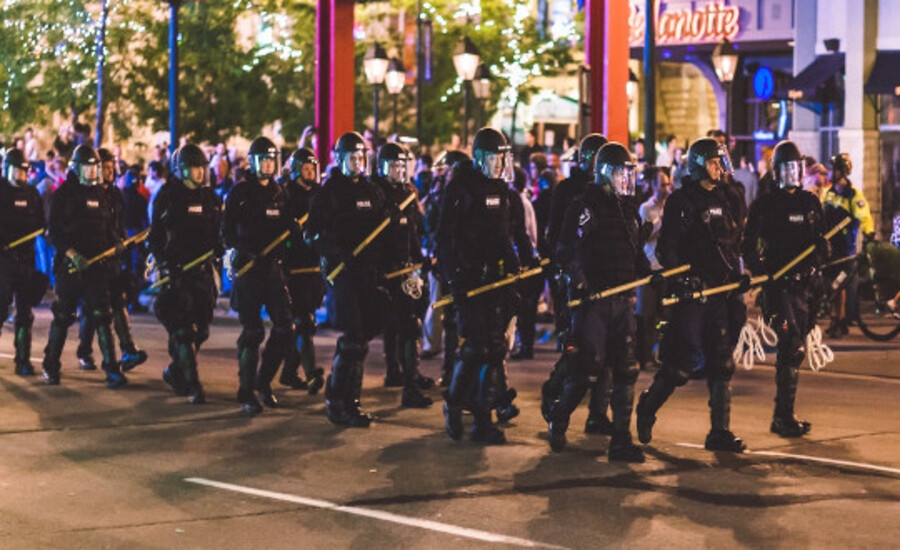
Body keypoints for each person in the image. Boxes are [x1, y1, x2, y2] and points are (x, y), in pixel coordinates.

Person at [636, 137, 748, 453]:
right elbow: (666, 248)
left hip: (720, 293)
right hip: (693, 294)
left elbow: (732, 245)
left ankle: (719, 431)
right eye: (713, 162)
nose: (719, 168)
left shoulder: (727, 199)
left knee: (722, 362)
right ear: (699, 164)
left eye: (720, 161)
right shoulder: (681, 202)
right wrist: (685, 279)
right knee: (681, 366)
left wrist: (739, 277)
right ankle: (648, 405)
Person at [547, 142, 648, 461]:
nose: (625, 179)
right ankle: (560, 416)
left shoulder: (628, 208)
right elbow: (565, 251)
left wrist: (650, 273)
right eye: (621, 173)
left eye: (628, 174)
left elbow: (634, 252)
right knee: (587, 370)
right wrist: (580, 282)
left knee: (626, 369)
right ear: (605, 172)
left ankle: (621, 439)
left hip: (622, 301)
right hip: (593, 304)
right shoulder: (585, 207)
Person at [436, 127, 535, 444]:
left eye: (502, 157)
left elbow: (508, 236)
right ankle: (454, 403)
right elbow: (444, 240)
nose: (499, 163)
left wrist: (522, 263)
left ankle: (483, 419)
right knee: (477, 348)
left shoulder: (505, 193)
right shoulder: (460, 190)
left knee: (495, 350)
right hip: (470, 280)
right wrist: (455, 279)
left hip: (499, 281)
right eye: (494, 157)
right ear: (479, 157)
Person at [743, 140, 827, 437]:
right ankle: (782, 416)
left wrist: (821, 251)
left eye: (797, 168)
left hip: (808, 286)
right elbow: (748, 245)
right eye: (787, 168)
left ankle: (784, 413)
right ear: (777, 171)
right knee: (789, 347)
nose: (793, 174)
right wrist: (762, 271)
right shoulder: (765, 204)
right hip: (780, 287)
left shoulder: (810, 202)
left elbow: (820, 239)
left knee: (796, 351)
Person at [307, 132, 388, 427]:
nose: (356, 163)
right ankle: (337, 400)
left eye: (360, 158)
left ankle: (351, 400)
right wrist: (336, 251)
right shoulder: (329, 192)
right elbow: (312, 235)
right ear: (341, 160)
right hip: (342, 273)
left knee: (362, 339)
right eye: (351, 158)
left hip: (368, 272)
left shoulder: (373, 190)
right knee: (353, 338)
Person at [543, 133, 615, 435]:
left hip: (604, 278)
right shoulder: (569, 191)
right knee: (578, 348)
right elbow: (557, 235)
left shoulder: (610, 192)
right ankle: (554, 390)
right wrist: (561, 275)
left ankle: (598, 414)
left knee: (609, 351)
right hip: (576, 278)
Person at [42, 145, 127, 388]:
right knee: (63, 315)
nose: (92, 172)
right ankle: (50, 365)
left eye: (95, 167)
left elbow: (109, 229)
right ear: (77, 168)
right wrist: (71, 254)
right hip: (71, 266)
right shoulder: (64, 195)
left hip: (97, 267)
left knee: (102, 315)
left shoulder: (102, 195)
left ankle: (111, 369)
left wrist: (118, 244)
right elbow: (55, 233)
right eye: (88, 167)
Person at [222, 136, 295, 414]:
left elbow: (288, 231)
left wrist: (291, 241)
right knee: (252, 332)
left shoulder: (280, 193)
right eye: (262, 159)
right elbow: (227, 231)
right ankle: (246, 389)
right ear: (253, 162)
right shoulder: (240, 193)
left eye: (270, 159)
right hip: (248, 270)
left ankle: (264, 383)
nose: (267, 164)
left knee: (284, 328)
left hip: (273, 270)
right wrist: (245, 251)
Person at [150, 144, 224, 403]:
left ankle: (175, 370)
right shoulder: (168, 196)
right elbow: (155, 238)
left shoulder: (211, 199)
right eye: (195, 168)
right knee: (183, 330)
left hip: (203, 275)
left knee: (201, 331)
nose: (201, 173)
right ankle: (194, 385)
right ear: (181, 170)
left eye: (203, 168)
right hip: (178, 274)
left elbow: (219, 234)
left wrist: (221, 251)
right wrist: (165, 265)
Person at [372, 143, 433, 408]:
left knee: (410, 321)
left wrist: (420, 258)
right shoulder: (376, 193)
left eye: (402, 165)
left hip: (408, 267)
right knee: (404, 324)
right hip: (387, 269)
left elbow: (414, 232)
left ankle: (406, 372)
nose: (399, 170)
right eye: (394, 165)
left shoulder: (408, 192)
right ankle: (405, 379)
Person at [76, 148, 147, 373]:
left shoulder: (116, 195)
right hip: (94, 260)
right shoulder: (89, 193)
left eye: (110, 167)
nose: (108, 172)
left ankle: (128, 349)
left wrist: (125, 243)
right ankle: (85, 351)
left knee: (119, 301)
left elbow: (119, 225)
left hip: (113, 260)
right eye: (104, 167)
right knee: (92, 309)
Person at [278, 147, 326, 394]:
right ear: (297, 171)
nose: (310, 173)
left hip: (315, 266)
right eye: (306, 169)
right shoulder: (285, 195)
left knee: (305, 323)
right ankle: (311, 373)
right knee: (303, 321)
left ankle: (288, 371)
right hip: (293, 267)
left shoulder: (321, 195)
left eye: (312, 169)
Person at [422, 150, 469, 385]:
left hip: (459, 261)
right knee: (449, 319)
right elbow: (432, 227)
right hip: (443, 260)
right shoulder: (439, 192)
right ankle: (449, 370)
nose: (446, 174)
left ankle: (455, 371)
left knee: (459, 321)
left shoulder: (462, 192)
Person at [0, 148, 47, 376]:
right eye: (17, 171)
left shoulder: (32, 194)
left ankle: (23, 359)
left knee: (25, 312)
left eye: (24, 172)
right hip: (4, 259)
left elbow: (41, 222)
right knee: (1, 308)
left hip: (26, 259)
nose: (21, 175)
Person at [823, 153, 875, 337]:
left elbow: (864, 215)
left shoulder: (853, 194)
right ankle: (834, 320)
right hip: (830, 247)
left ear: (841, 172)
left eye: (834, 169)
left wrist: (869, 234)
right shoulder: (829, 193)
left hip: (845, 248)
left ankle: (841, 322)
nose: (831, 172)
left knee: (840, 285)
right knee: (831, 285)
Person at [636, 167, 672, 371]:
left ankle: (663, 355)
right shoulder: (646, 208)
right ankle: (644, 356)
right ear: (653, 185)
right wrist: (660, 222)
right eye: (661, 184)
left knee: (665, 315)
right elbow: (645, 235)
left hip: (666, 267)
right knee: (646, 316)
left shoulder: (672, 206)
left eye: (667, 184)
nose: (665, 189)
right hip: (650, 266)